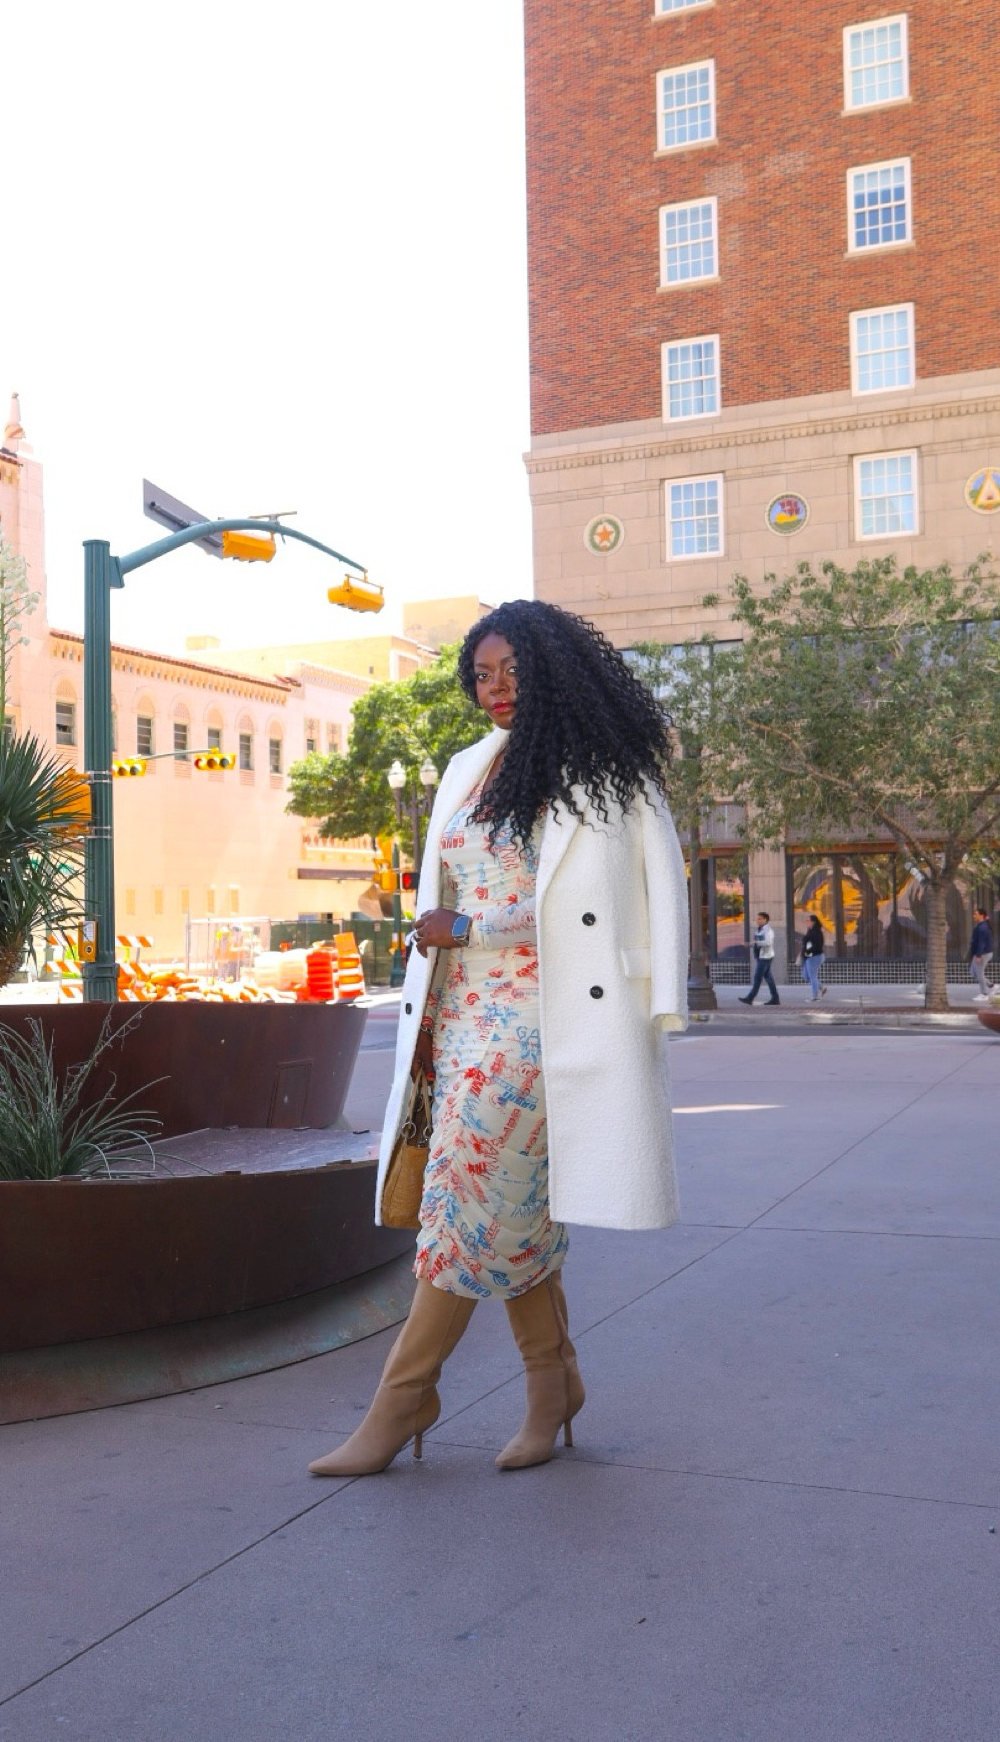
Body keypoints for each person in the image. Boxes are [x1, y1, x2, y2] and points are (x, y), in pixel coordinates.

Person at [309, 600, 687, 1478]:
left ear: (555, 669)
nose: (496, 689)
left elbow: (627, 900)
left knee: (467, 1195)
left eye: (513, 669)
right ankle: (554, 1383)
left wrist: (466, 924)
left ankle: (405, 1397)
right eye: (481, 674)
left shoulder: (606, 775)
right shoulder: (470, 766)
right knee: (506, 1201)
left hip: (548, 1019)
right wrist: (444, 939)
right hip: (462, 1013)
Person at [739, 911, 780, 1005]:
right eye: (757, 918)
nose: (757, 920)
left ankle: (750, 998)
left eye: (759, 918)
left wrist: (756, 943)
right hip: (760, 957)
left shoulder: (768, 930)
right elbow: (756, 942)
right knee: (769, 979)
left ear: (765, 920)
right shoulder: (759, 930)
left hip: (765, 957)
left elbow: (768, 943)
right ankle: (775, 998)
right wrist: (749, 944)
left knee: (757, 978)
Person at [800, 912, 826, 1001]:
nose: (806, 922)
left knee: (812, 976)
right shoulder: (810, 930)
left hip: (815, 956)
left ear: (813, 922)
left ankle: (814, 996)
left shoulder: (817, 932)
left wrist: (808, 951)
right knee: (806, 976)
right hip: (808, 957)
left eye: (808, 921)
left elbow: (818, 945)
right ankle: (821, 987)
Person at [968, 907, 994, 998]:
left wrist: (978, 955)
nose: (974, 916)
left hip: (983, 954)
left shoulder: (982, 928)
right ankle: (989, 983)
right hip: (979, 953)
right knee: (973, 972)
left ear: (981, 915)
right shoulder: (980, 926)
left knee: (979, 973)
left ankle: (984, 993)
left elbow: (981, 943)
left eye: (976, 914)